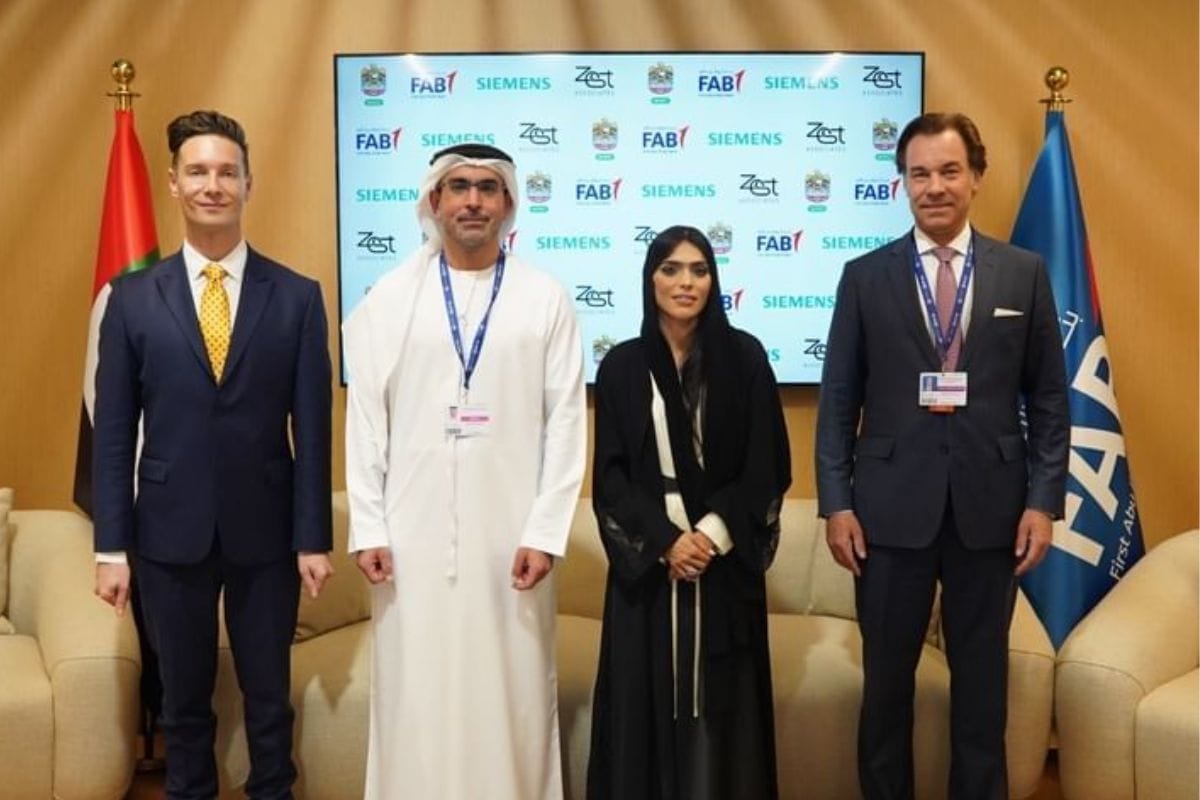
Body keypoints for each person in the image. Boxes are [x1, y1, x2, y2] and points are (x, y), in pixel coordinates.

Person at [815, 112, 1070, 800]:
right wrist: (836, 504)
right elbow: (838, 401)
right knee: (885, 689)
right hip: (887, 514)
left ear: (976, 177)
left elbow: (1050, 399)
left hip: (992, 514)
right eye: (919, 173)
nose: (934, 187)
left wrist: (1043, 502)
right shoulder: (864, 277)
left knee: (983, 692)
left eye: (949, 171)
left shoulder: (1023, 273)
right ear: (902, 182)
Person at [92, 109, 334, 799]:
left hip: (268, 533)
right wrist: (111, 548)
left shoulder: (297, 298)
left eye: (227, 172)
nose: (213, 185)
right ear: (173, 183)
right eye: (197, 172)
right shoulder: (131, 299)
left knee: (269, 701)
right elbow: (114, 434)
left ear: (248, 184)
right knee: (182, 704)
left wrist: (313, 537)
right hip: (167, 534)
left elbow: (313, 430)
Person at [343, 142, 587, 800]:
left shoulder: (544, 298)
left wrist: (545, 533)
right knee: (413, 691)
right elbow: (365, 422)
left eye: (487, 188)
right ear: (434, 200)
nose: (473, 201)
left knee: (511, 689)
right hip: (409, 538)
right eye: (459, 187)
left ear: (508, 204)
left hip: (513, 540)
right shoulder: (390, 299)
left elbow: (567, 423)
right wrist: (369, 526)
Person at [587, 226, 791, 799]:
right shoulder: (622, 366)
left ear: (713, 280)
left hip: (722, 559)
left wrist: (711, 534)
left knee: (725, 710)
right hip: (651, 565)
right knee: (643, 704)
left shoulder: (745, 357)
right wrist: (666, 542)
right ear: (650, 279)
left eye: (699, 270)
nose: (686, 282)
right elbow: (611, 478)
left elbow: (767, 463)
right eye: (671, 269)